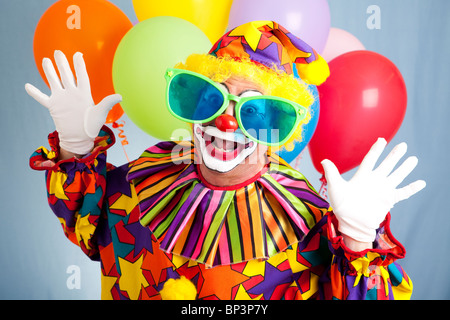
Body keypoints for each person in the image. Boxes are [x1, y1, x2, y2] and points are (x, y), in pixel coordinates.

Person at [26, 21, 425, 300]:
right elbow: (88, 229)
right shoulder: (137, 184)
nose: (226, 121)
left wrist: (356, 240)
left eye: (255, 111)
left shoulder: (314, 223)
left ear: (279, 126)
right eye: (208, 96)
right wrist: (75, 148)